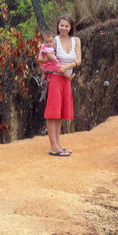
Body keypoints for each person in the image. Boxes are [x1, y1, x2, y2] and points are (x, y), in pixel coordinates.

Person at [39, 15, 81, 156]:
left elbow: (79, 60)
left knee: (61, 113)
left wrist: (66, 67)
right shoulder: (54, 41)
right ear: (58, 26)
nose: (63, 28)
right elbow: (46, 59)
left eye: (66, 26)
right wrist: (61, 70)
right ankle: (53, 146)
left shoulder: (76, 41)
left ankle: (58, 144)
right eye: (61, 25)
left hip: (66, 78)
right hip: (56, 78)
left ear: (71, 27)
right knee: (53, 113)